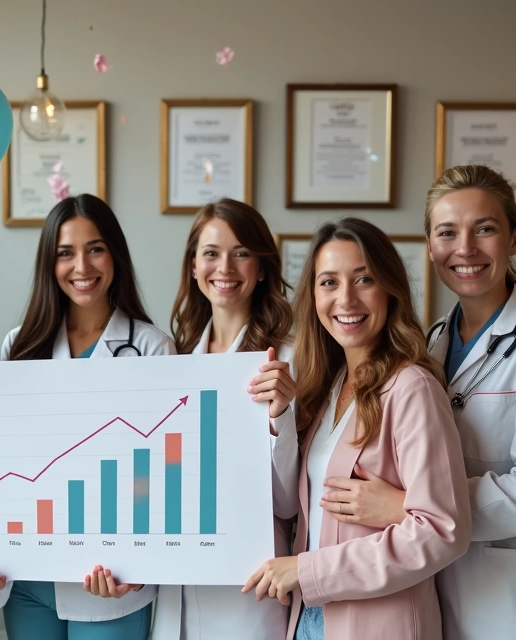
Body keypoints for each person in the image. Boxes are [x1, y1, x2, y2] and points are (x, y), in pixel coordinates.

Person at [317, 165, 516, 639]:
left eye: (484, 229)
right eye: (447, 232)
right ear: (430, 246)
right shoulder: (431, 342)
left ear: (514, 239)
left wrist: (409, 506)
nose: (464, 248)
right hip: (440, 590)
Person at [242, 217, 470, 640]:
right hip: (310, 618)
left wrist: (307, 570)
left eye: (364, 279)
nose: (346, 299)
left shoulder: (412, 388)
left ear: (389, 289)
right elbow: (296, 507)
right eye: (329, 282)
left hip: (380, 623)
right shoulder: (327, 388)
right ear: (314, 296)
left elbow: (441, 531)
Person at [0, 194, 174, 640]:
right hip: (29, 577)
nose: (82, 266)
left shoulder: (151, 348)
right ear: (49, 263)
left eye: (95, 249)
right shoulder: (19, 346)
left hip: (111, 580)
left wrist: (142, 567)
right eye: (65, 253)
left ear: (115, 255)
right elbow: (4, 458)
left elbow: (166, 470)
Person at [152, 198, 297, 639]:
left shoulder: (289, 359)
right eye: (211, 253)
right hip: (178, 576)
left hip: (248, 585)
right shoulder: (173, 357)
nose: (225, 268)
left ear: (262, 268)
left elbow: (288, 502)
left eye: (241, 253)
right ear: (194, 266)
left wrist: (281, 415)